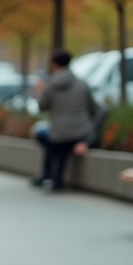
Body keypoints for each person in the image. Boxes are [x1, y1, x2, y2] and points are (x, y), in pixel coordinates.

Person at [32, 49, 99, 192]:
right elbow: (95, 109)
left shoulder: (50, 85)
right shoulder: (82, 84)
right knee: (58, 143)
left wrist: (38, 91)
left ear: (54, 64)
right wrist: (88, 137)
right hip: (82, 134)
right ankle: (53, 178)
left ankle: (49, 176)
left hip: (60, 135)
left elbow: (41, 107)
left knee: (44, 136)